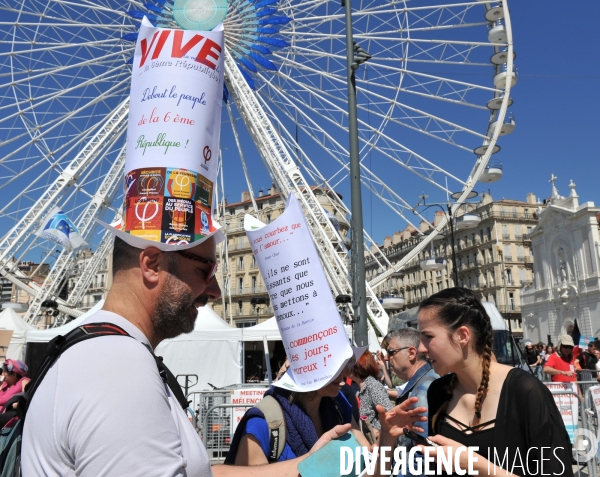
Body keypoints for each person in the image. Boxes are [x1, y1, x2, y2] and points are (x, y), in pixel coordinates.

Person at [21, 237, 352, 477]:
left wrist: (305, 467)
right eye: (205, 269)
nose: (215, 291)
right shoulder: (117, 371)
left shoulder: (109, 353)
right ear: (152, 264)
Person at [377, 288, 573, 476]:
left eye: (428, 337)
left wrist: (473, 464)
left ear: (462, 336)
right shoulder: (438, 391)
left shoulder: (525, 392)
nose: (421, 348)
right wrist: (389, 438)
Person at [227, 371, 361, 464]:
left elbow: (366, 456)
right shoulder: (262, 423)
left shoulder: (338, 404)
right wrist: (310, 465)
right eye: (333, 360)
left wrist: (382, 439)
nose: (347, 370)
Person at [382, 328, 438, 477]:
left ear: (411, 353)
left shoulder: (422, 390)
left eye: (392, 352)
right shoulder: (423, 383)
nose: (387, 358)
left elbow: (423, 456)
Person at [349, 350, 393, 439]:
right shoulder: (359, 388)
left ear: (358, 365)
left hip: (378, 443)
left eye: (349, 364)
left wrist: (376, 429)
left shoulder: (372, 385)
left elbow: (389, 411)